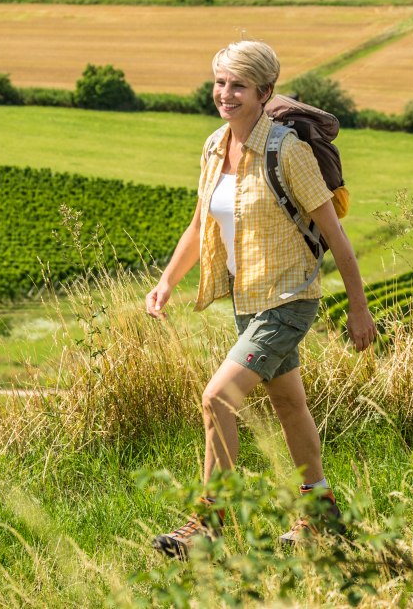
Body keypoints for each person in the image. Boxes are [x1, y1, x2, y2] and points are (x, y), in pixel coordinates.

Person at [145, 40, 377, 559]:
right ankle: (320, 516)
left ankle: (208, 522)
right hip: (247, 301)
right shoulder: (212, 147)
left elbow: (336, 237)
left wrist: (359, 309)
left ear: (265, 92)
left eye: (238, 86)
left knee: (217, 398)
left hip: (289, 301)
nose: (225, 94)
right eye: (220, 82)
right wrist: (167, 281)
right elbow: (202, 222)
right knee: (289, 404)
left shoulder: (286, 151)